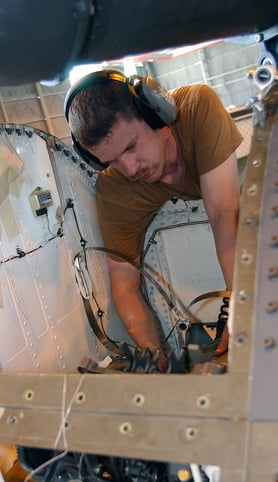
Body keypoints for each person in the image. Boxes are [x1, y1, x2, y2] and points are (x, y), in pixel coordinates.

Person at [65, 69, 243, 371]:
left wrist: (242, 310)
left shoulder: (197, 108)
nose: (130, 168)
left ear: (156, 114)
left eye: (131, 147)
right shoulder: (114, 189)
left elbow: (224, 215)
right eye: (112, 162)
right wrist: (156, 359)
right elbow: (123, 284)